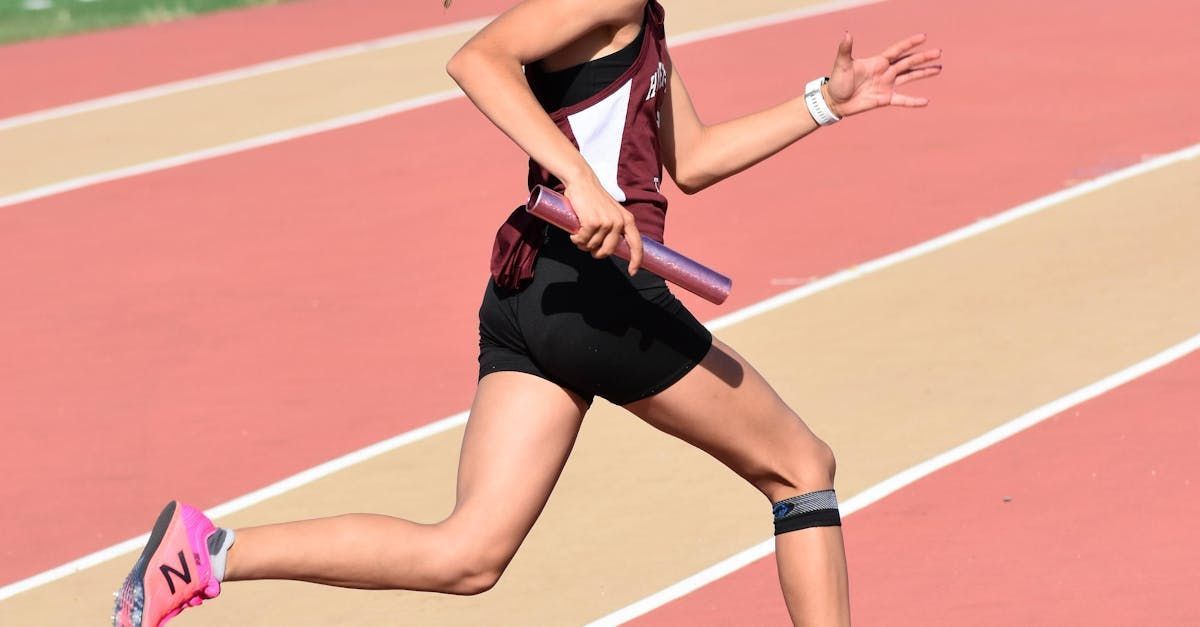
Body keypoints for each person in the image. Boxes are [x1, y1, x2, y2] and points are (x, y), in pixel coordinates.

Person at [112, 1, 941, 625]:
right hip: (596, 290)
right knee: (802, 466)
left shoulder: (641, 15)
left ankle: (208, 550)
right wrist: (576, 176)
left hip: (533, 290)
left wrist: (826, 103)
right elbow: (478, 61)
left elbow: (693, 159)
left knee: (467, 553)